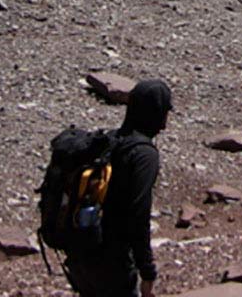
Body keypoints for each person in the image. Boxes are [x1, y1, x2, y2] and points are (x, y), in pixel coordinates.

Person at [63, 78, 173, 297]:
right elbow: (138, 215)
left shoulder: (108, 141)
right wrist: (147, 271)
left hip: (82, 254)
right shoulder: (143, 154)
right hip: (113, 262)